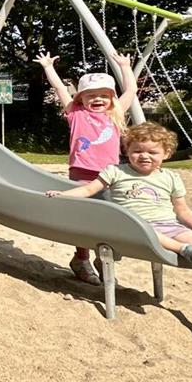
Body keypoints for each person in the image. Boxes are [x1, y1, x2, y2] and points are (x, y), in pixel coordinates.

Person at [47, 122, 192, 336]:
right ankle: (183, 249)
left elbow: (182, 211)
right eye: (137, 151)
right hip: (131, 226)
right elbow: (89, 189)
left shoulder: (170, 178)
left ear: (166, 154)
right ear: (127, 151)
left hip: (169, 226)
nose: (144, 156)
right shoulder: (116, 171)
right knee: (147, 229)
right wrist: (63, 195)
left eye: (153, 152)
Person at [36, 50, 138, 285]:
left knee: (108, 217)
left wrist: (124, 67)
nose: (98, 99)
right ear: (81, 98)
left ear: (112, 98)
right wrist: (49, 68)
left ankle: (103, 258)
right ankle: (81, 259)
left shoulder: (116, 114)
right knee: (82, 217)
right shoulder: (76, 114)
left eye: (104, 95)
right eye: (91, 95)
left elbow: (131, 91)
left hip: (110, 176)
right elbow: (61, 90)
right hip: (81, 173)